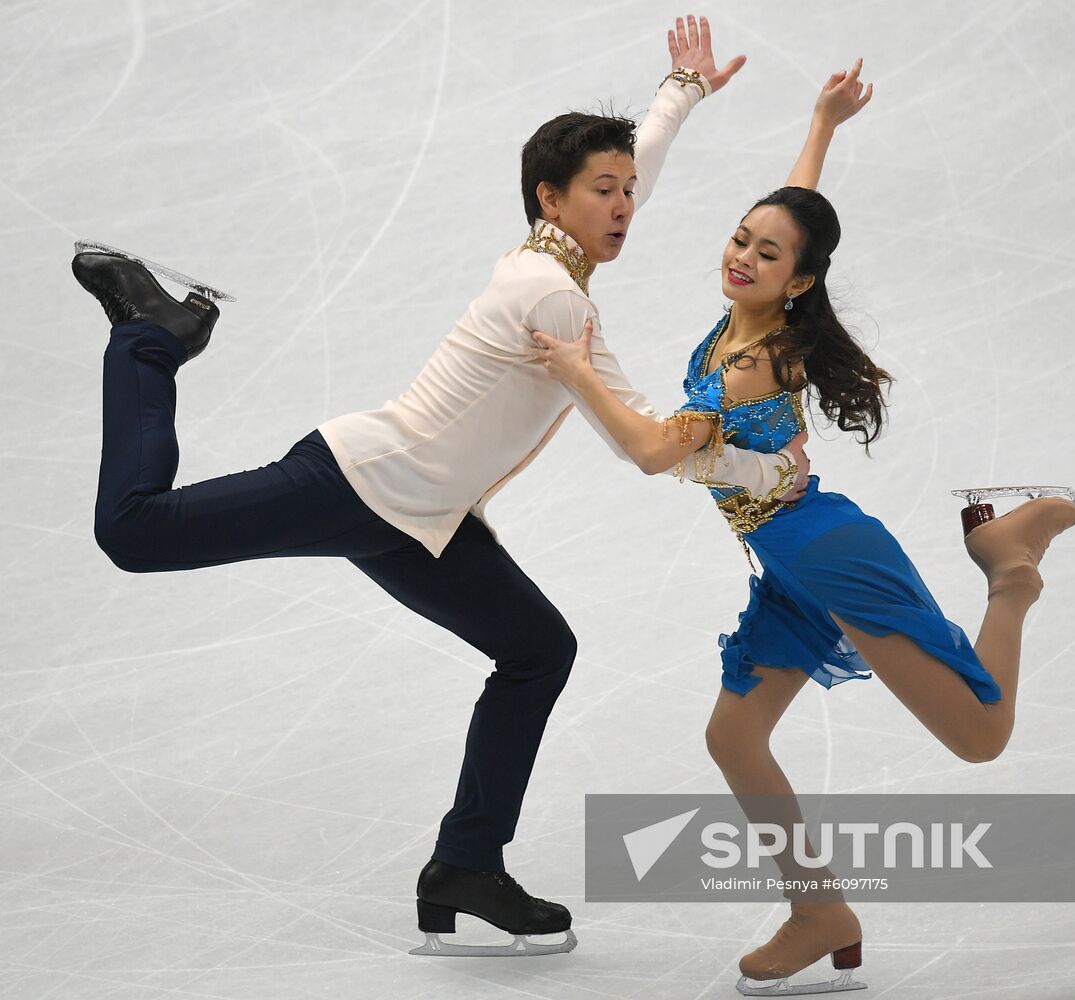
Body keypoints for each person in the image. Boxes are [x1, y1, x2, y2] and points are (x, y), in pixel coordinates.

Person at [70, 15, 804, 959]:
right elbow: (651, 449)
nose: (626, 206)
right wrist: (736, 434)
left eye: (628, 190)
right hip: (355, 481)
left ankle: (466, 866)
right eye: (604, 191)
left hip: (421, 520)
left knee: (538, 650)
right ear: (552, 198)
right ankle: (149, 334)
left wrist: (680, 91)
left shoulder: (559, 256)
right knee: (133, 530)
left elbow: (635, 167)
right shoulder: (553, 296)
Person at [532, 57, 1075, 992]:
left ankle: (1007, 570)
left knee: (980, 736)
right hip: (780, 562)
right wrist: (821, 126)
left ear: (799, 283)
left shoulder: (756, 363)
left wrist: (575, 370)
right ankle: (818, 910)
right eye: (740, 238)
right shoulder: (741, 317)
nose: (742, 255)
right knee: (734, 739)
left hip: (826, 555)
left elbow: (657, 453)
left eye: (766, 254)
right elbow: (797, 211)